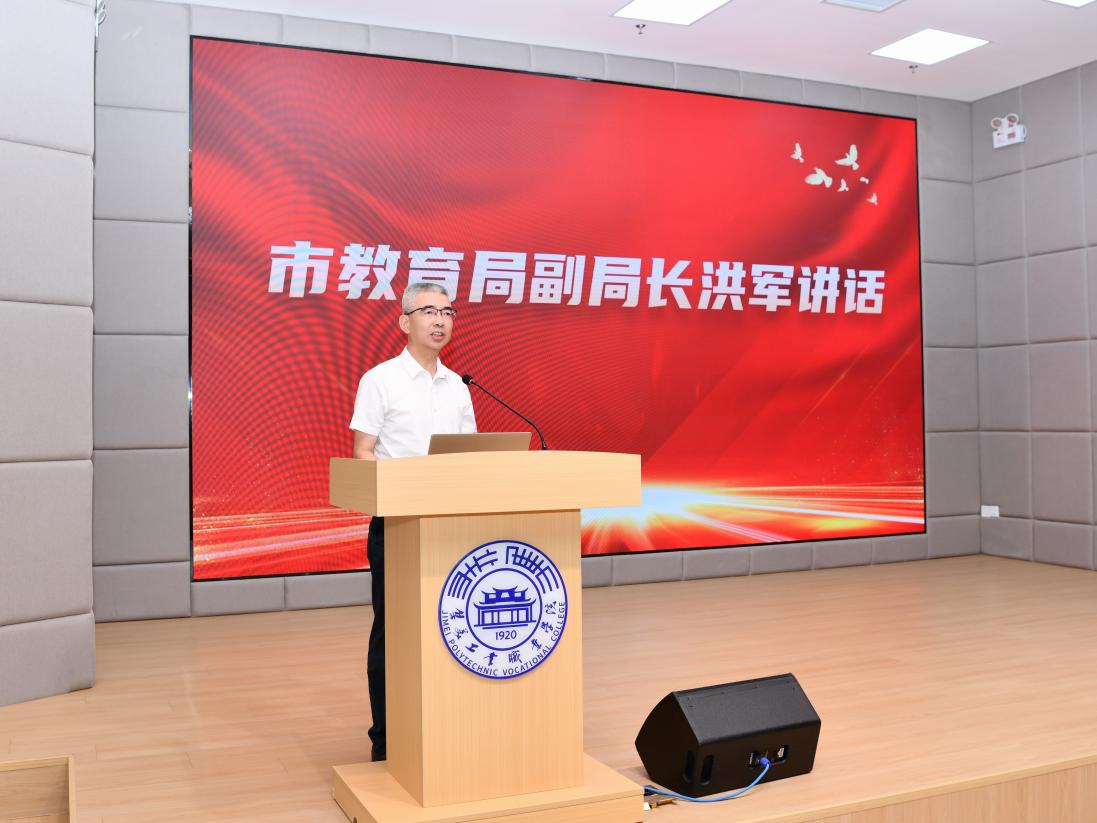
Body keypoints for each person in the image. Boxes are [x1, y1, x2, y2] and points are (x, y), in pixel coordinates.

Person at [348, 281, 476, 762]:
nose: (440, 320)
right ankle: (387, 739)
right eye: (429, 311)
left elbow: (469, 456)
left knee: (450, 629)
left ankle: (442, 728)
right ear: (405, 322)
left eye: (448, 312)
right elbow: (363, 453)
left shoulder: (458, 386)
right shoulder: (380, 380)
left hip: (450, 527)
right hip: (398, 526)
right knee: (394, 631)